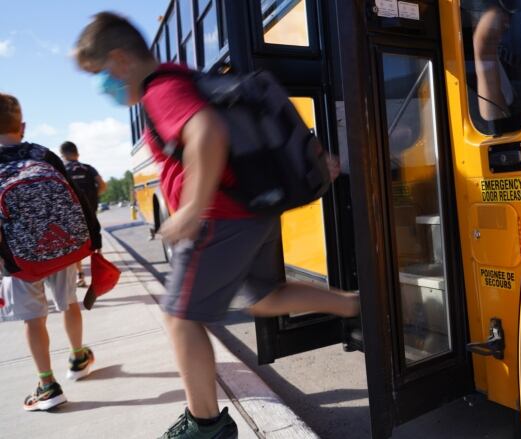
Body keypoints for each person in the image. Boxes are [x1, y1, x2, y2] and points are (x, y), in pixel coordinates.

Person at [75, 13, 359, 438]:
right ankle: (357, 306)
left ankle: (205, 425)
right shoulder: (182, 76)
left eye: (100, 75)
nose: (104, 88)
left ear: (119, 60)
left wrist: (191, 209)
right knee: (264, 296)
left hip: (220, 218)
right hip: (250, 212)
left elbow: (206, 132)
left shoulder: (161, 89)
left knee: (181, 319)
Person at [0, 93, 98, 411]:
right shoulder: (42, 153)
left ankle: (47, 384)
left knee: (32, 319)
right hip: (59, 245)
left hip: (17, 256)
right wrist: (92, 236)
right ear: (23, 126)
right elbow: (75, 195)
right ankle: (78, 356)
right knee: (69, 302)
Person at [60, 141, 107, 287]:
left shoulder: (62, 170)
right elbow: (103, 185)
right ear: (77, 153)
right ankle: (101, 270)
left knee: (76, 244)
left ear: (63, 155)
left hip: (73, 215)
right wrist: (93, 198)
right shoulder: (88, 168)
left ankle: (80, 276)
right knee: (95, 238)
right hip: (91, 211)